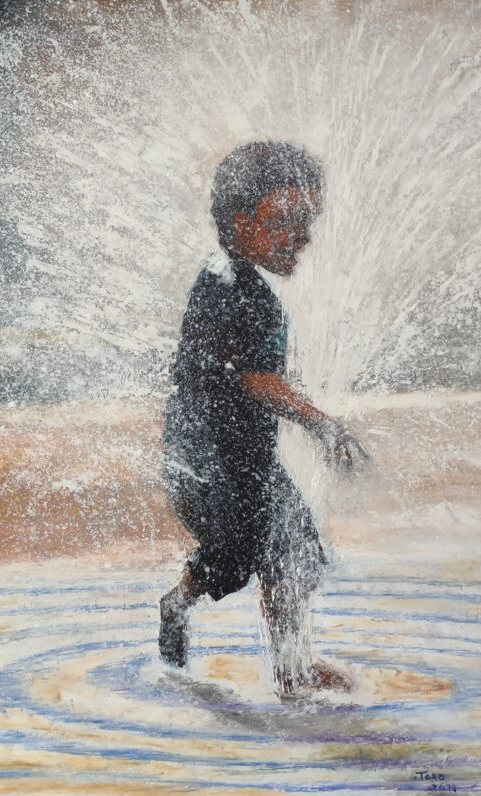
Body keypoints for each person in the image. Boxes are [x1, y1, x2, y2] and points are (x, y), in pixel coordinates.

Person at [159, 140, 369, 697]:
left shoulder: (245, 285)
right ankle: (178, 602)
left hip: (246, 459)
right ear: (240, 219)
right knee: (232, 559)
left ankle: (293, 667)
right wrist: (324, 424)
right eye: (284, 221)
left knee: (294, 549)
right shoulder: (230, 287)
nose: (299, 237)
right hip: (205, 462)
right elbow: (256, 380)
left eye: (307, 222)